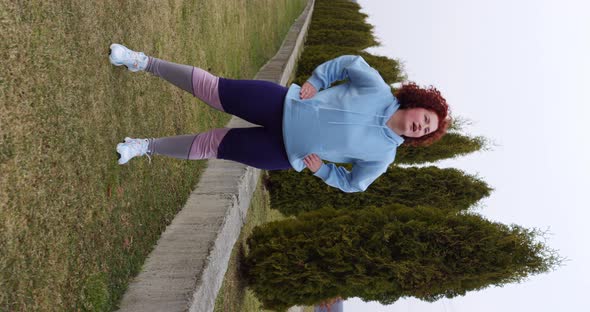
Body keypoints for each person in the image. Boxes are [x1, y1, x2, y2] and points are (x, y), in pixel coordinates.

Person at [110, 43, 450, 193]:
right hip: (281, 104)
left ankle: (143, 147)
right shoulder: (377, 89)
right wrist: (316, 82)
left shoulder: (383, 155)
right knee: (212, 88)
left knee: (213, 146)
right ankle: (142, 62)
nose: (421, 125)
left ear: (418, 137)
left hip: (282, 153)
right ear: (417, 104)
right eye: (425, 117)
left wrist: (324, 171)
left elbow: (353, 184)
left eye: (425, 130)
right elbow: (349, 63)